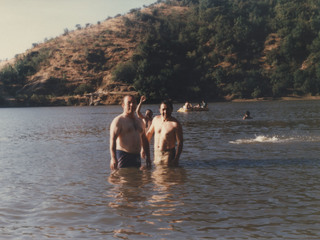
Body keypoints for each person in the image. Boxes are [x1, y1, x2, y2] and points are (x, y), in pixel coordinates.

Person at [109, 95, 151, 170]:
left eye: (134, 102)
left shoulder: (140, 121)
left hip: (136, 157)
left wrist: (148, 157)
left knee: (137, 179)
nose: (132, 105)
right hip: (123, 156)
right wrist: (113, 158)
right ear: (123, 105)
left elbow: (144, 140)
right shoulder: (119, 120)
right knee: (123, 179)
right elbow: (112, 140)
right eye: (129, 103)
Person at [147, 99, 183, 167]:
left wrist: (176, 159)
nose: (165, 112)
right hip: (156, 153)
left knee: (167, 175)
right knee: (157, 175)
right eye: (163, 109)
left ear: (171, 110)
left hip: (168, 155)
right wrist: (143, 149)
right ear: (159, 110)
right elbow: (149, 134)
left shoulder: (175, 124)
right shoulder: (155, 119)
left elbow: (180, 143)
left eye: (167, 109)